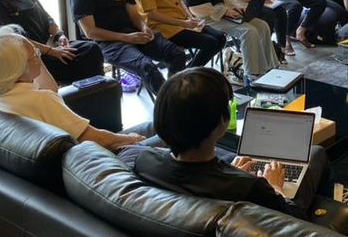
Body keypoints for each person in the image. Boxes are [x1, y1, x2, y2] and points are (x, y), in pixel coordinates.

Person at [134, 67, 330, 220]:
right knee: (317, 153)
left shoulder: (143, 160)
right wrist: (274, 187)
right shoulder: (251, 187)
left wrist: (229, 171)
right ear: (222, 121)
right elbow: (294, 220)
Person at [0, 26, 143, 150]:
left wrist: (30, 53)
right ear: (19, 68)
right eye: (35, 54)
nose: (39, 55)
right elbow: (98, 139)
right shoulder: (41, 100)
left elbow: (50, 88)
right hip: (86, 159)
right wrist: (132, 139)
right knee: (150, 129)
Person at [71, 0, 186, 98]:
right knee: (147, 66)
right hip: (109, 43)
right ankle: (169, 104)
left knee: (177, 54)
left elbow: (134, 14)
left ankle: (174, 94)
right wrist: (126, 37)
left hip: (134, 34)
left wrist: (144, 27)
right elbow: (90, 32)